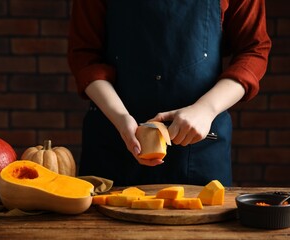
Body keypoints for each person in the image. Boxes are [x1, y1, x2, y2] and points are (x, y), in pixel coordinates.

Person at [67, 0, 271, 187]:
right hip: (114, 140)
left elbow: (253, 50)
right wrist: (120, 118)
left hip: (201, 147)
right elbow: (85, 56)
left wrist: (206, 109)